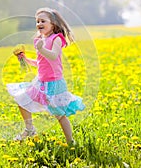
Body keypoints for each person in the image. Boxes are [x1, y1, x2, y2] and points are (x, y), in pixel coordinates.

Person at [7, 7, 85, 144]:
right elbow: (41, 62)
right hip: (40, 82)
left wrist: (41, 49)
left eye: (43, 20)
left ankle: (70, 141)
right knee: (22, 102)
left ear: (53, 24)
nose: (39, 24)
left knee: (59, 115)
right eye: (37, 21)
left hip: (54, 83)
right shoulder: (40, 39)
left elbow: (53, 56)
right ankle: (30, 130)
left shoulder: (57, 39)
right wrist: (26, 60)